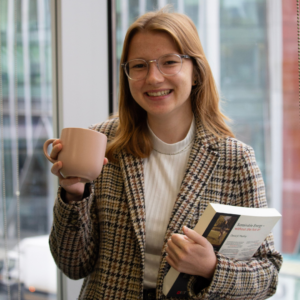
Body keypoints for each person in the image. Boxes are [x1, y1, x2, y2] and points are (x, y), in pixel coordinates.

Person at [48, 7, 282, 300]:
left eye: (169, 62)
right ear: (127, 75)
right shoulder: (102, 141)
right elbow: (72, 264)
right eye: (139, 65)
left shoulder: (234, 159)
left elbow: (268, 275)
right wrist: (73, 196)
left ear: (195, 72)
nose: (154, 78)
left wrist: (212, 268)